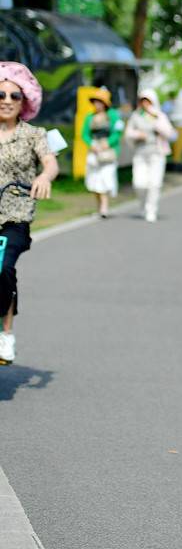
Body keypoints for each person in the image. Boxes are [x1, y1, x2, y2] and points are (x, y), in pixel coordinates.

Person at [0, 62, 59, 365]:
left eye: (14, 95)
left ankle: (6, 334)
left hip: (15, 215)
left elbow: (50, 162)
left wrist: (44, 177)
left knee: (3, 267)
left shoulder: (34, 134)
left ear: (25, 101)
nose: (7, 100)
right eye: (1, 94)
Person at [123, 88, 177, 222]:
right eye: (143, 101)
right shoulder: (136, 116)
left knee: (154, 183)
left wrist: (156, 119)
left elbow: (170, 134)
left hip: (157, 154)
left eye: (148, 101)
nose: (145, 104)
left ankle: (151, 209)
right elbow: (128, 134)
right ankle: (143, 205)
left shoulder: (159, 116)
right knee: (139, 183)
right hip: (140, 154)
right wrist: (137, 135)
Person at [81, 87, 124, 218]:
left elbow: (118, 133)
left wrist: (108, 143)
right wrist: (92, 144)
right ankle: (100, 207)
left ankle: (104, 207)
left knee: (105, 178)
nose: (97, 104)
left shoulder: (113, 116)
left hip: (108, 152)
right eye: (95, 101)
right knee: (94, 180)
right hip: (94, 151)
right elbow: (84, 134)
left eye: (100, 102)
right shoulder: (89, 117)